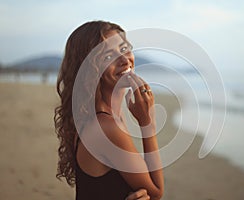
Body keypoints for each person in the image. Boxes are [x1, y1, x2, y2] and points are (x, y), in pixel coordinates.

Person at [54, 20, 164, 200]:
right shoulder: (106, 126)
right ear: (90, 69)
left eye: (123, 49)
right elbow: (156, 192)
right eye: (107, 57)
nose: (124, 60)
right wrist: (148, 124)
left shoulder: (99, 114)